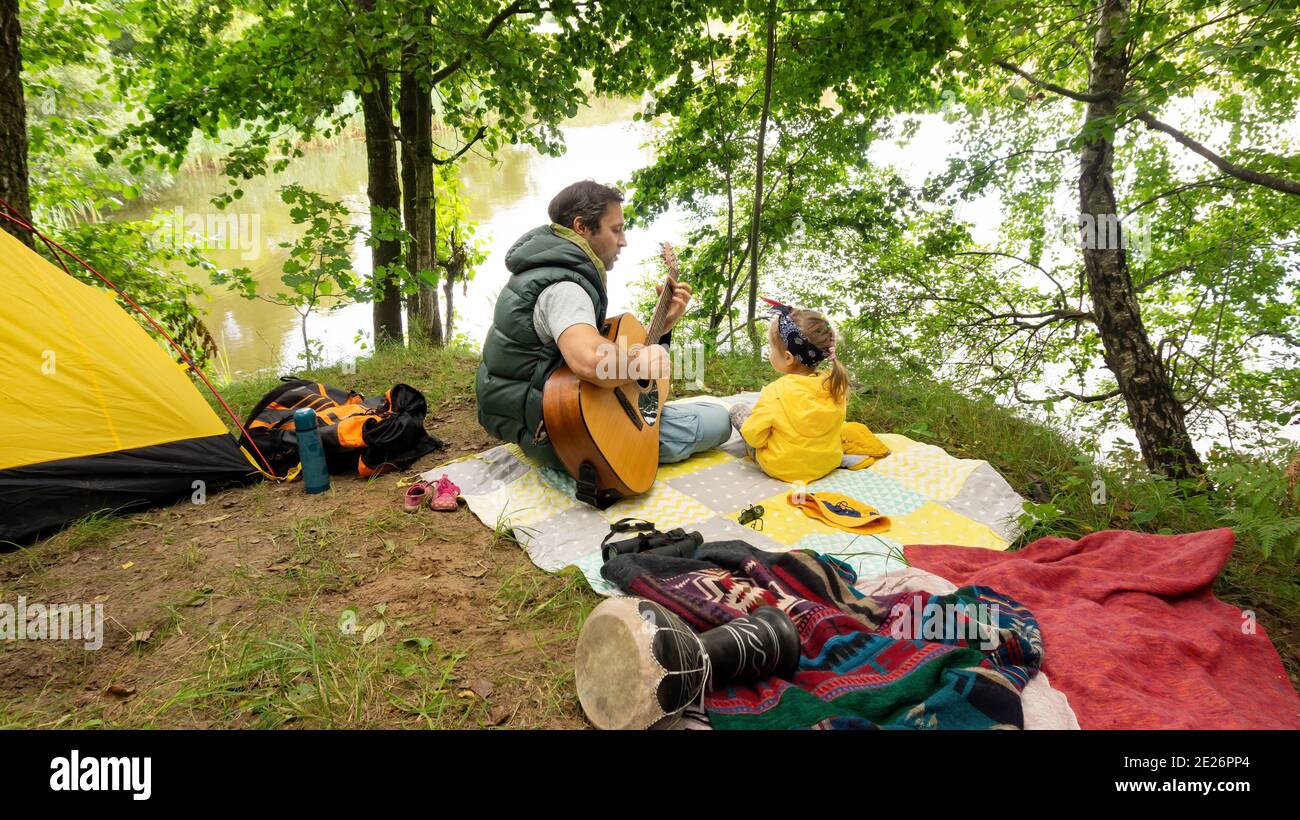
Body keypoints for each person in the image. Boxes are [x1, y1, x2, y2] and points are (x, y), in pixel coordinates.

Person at [476, 180, 731, 476]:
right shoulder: (566, 289)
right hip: (566, 432)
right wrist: (638, 364)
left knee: (688, 410)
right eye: (616, 229)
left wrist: (664, 326)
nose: (623, 241)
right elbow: (591, 360)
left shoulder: (547, 271)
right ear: (582, 227)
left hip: (546, 414)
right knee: (718, 419)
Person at [729, 302, 853, 484]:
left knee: (737, 410)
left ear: (788, 357)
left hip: (781, 467)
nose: (770, 352)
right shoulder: (835, 385)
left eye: (771, 348)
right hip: (826, 463)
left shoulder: (776, 392)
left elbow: (755, 437)